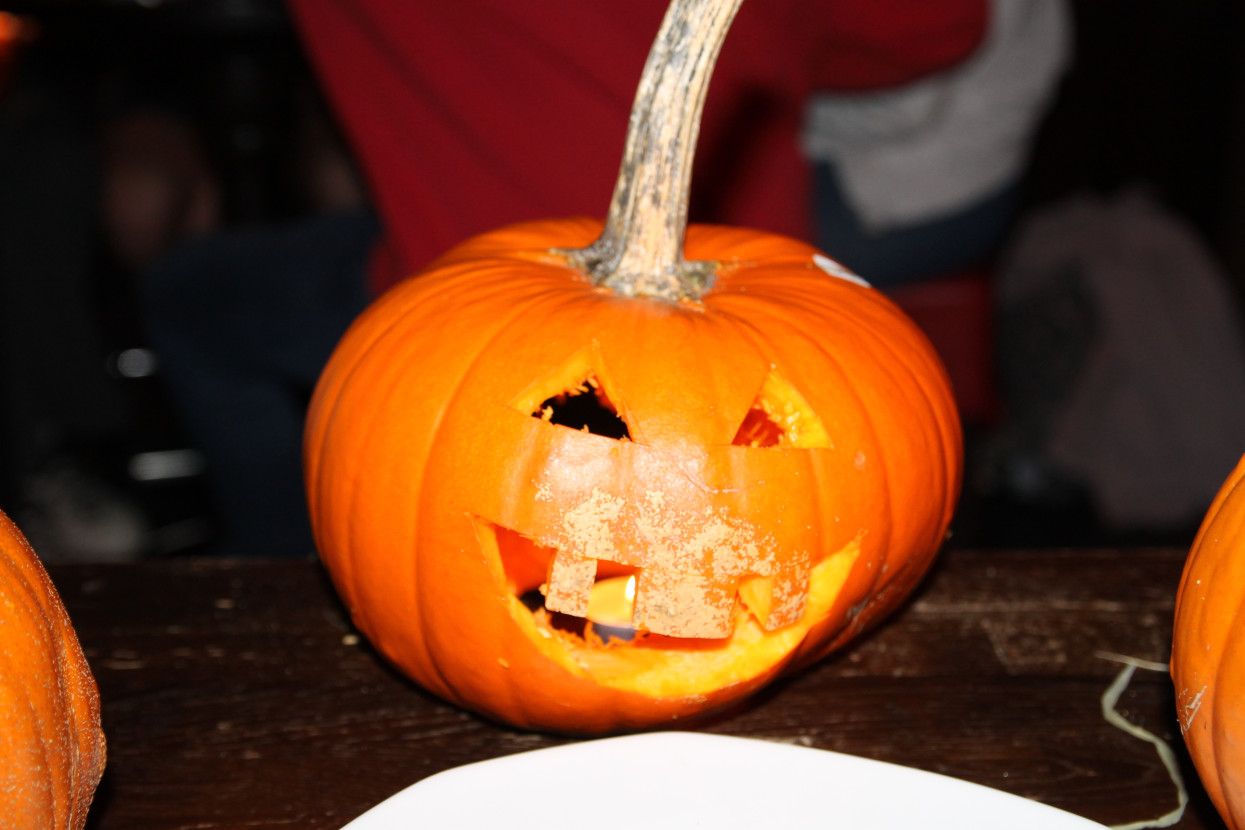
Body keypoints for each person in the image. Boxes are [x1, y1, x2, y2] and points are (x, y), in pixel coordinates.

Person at [142, 0, 993, 556]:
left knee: (189, 297)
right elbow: (940, 26)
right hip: (744, 275)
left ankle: (279, 580)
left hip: (469, 304)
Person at [803, 0, 1072, 288]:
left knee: (760, 263)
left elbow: (897, 114)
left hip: (918, 194)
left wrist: (776, 93)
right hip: (966, 156)